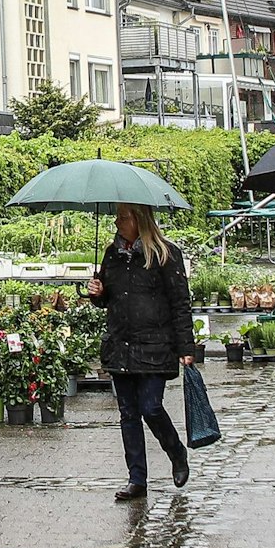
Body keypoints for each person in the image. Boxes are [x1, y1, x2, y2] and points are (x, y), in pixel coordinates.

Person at [86, 204, 193, 502]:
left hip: (155, 345)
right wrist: (98, 292)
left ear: (139, 220)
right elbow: (108, 299)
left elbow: (180, 302)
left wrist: (186, 347)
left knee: (151, 407)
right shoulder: (112, 254)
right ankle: (137, 478)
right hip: (121, 343)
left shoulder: (165, 255)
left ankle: (176, 452)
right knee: (128, 414)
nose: (117, 221)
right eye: (118, 216)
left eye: (123, 217)